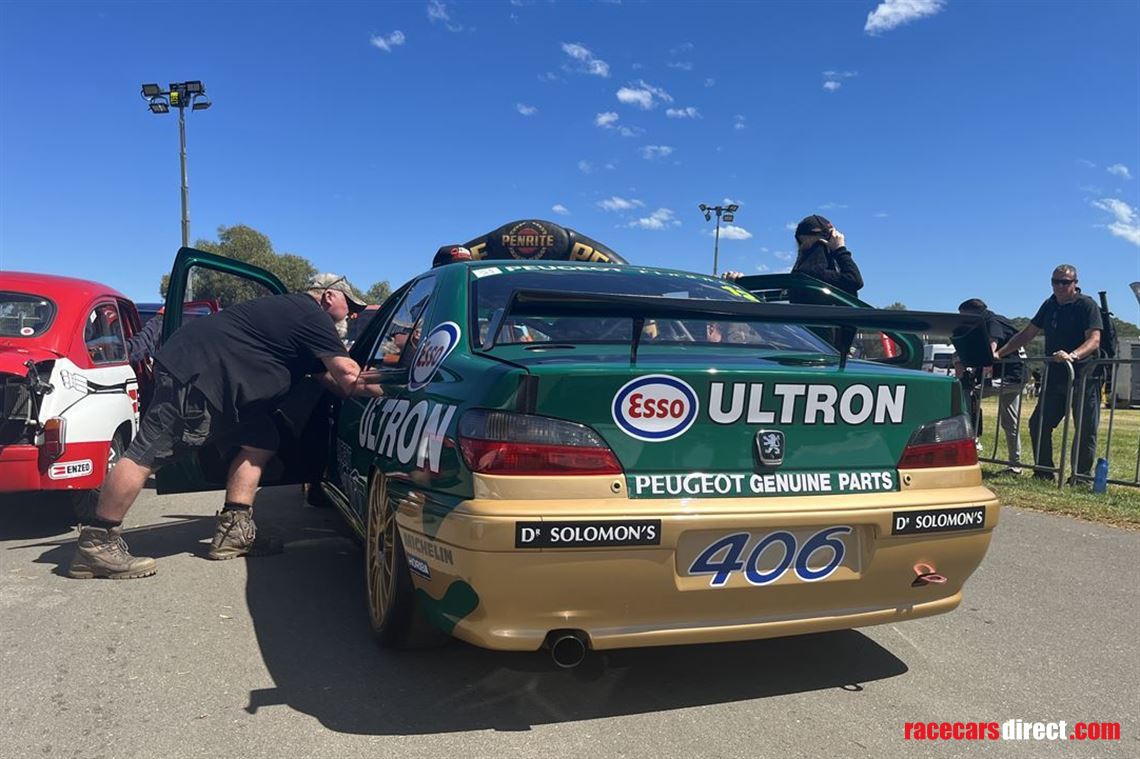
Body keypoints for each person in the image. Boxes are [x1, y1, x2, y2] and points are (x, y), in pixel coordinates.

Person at [67, 273, 381, 580]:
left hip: (226, 390)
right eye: (350, 305)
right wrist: (390, 385)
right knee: (145, 454)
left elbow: (332, 380)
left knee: (262, 440)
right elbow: (347, 375)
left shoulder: (295, 317)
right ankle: (97, 544)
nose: (353, 314)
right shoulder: (312, 315)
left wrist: (353, 383)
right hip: (197, 377)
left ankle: (234, 532)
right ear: (329, 296)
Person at [996, 265, 1102, 483]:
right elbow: (1027, 333)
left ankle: (1081, 478)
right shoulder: (1049, 304)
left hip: (1084, 376)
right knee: (1039, 423)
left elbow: (1094, 340)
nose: (1060, 286)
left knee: (1084, 429)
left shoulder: (1087, 305)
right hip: (1055, 376)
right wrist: (1000, 353)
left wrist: (1073, 355)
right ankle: (1044, 472)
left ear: (1075, 283)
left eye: (1065, 282)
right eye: (1056, 281)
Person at [955, 298, 1026, 473]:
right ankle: (1015, 464)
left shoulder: (991, 321)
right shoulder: (986, 322)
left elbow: (991, 347)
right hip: (1015, 374)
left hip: (1011, 375)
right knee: (1010, 422)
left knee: (972, 394)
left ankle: (974, 439)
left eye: (964, 317)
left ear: (974, 313)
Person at [722, 214, 862, 297]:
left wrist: (738, 286)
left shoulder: (807, 274)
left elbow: (854, 281)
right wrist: (840, 249)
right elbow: (855, 280)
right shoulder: (815, 275)